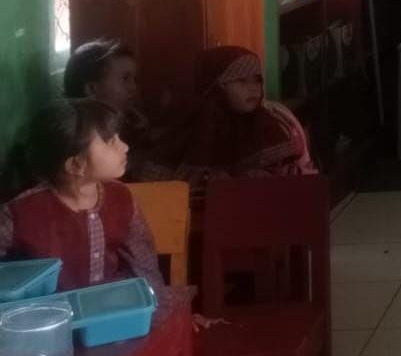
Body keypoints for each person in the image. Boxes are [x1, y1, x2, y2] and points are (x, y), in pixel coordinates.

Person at [0, 100, 165, 292]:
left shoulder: (121, 197)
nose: (125, 147)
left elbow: (144, 265)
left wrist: (154, 301)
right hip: (49, 309)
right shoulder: (20, 212)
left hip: (111, 304)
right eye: (111, 142)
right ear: (76, 165)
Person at [186, 46, 317, 183]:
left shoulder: (274, 120)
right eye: (242, 80)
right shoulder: (201, 127)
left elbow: (298, 176)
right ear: (218, 86)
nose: (253, 88)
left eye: (257, 80)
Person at [62, 39, 169, 183]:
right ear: (92, 89)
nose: (133, 88)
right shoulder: (78, 133)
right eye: (124, 79)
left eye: (134, 79)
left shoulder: (132, 119)